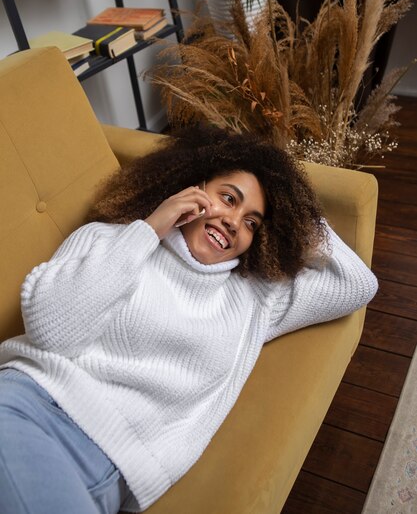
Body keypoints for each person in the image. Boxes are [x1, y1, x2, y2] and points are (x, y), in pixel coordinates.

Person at [0, 126, 378, 514]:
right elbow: (53, 333)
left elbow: (357, 284)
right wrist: (150, 228)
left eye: (252, 222)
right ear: (190, 187)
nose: (234, 221)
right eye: (228, 199)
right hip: (26, 407)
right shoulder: (109, 240)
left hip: (112, 473)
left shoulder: (253, 300)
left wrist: (294, 217)